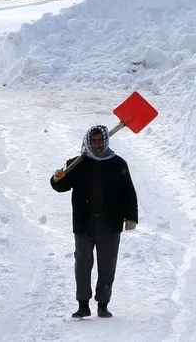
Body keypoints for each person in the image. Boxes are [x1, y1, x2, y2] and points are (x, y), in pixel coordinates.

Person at [50, 124, 138, 319]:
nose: (97, 145)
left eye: (100, 140)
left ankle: (103, 304)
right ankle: (83, 305)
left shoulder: (118, 164)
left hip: (110, 223)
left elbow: (129, 192)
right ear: (88, 141)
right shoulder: (77, 163)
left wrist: (131, 216)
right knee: (82, 263)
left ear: (106, 141)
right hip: (84, 223)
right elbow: (60, 186)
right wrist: (57, 178)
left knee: (107, 264)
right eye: (93, 141)